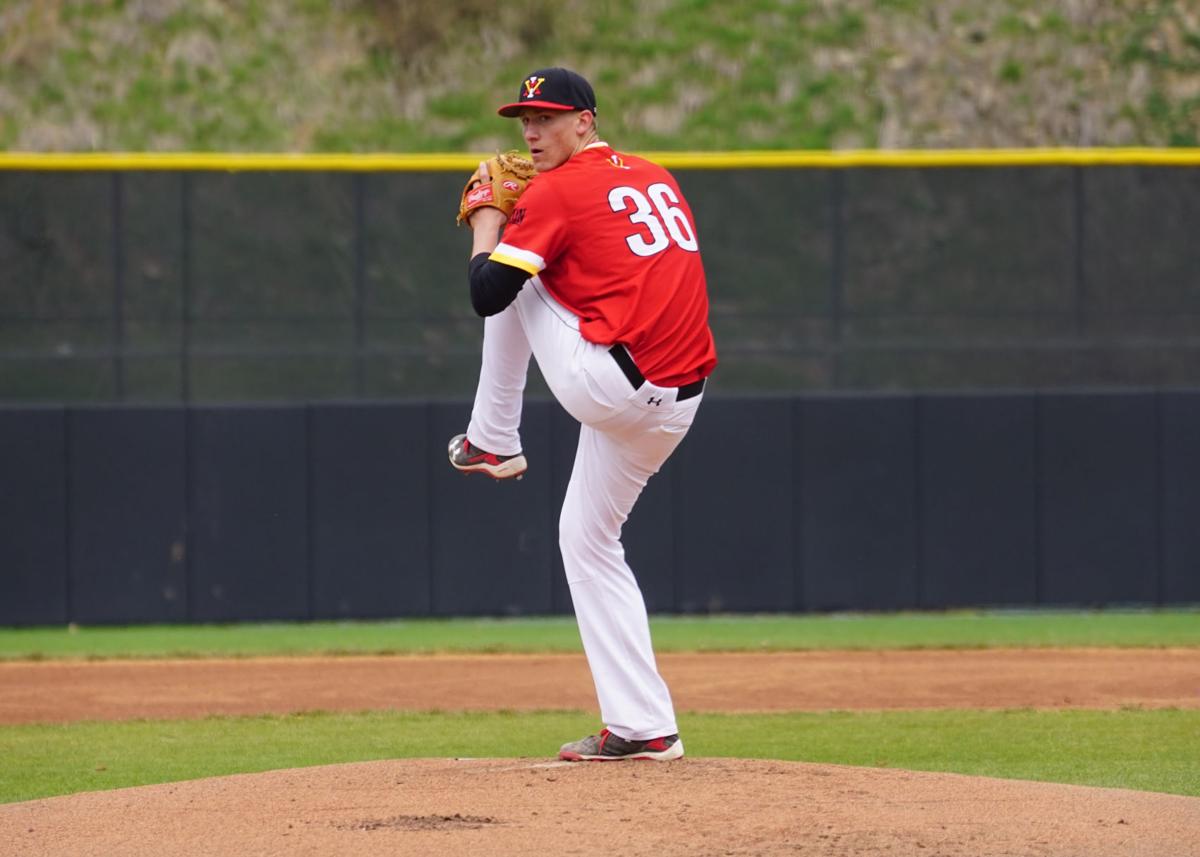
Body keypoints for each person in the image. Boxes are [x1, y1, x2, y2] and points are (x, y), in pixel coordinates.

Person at [450, 67, 717, 762]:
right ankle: (644, 725)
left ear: (587, 121)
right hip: (678, 401)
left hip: (614, 387)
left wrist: (488, 217)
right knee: (587, 539)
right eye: (524, 119)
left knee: (514, 280)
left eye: (548, 117)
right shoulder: (658, 175)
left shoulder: (557, 191)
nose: (532, 132)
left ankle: (493, 438)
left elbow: (486, 292)